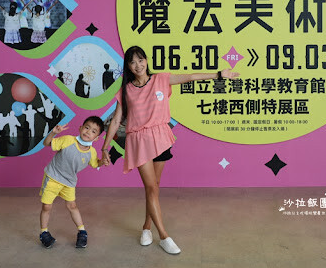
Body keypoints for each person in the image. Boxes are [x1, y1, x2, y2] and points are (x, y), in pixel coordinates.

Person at [100, 45, 239, 255]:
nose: (138, 65)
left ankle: (146, 228)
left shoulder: (161, 79)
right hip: (139, 141)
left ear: (146, 61)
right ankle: (164, 236)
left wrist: (219, 74)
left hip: (161, 138)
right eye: (132, 62)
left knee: (154, 188)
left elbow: (189, 77)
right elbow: (116, 119)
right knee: (151, 187)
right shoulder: (126, 90)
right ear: (128, 66)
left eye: (140, 60)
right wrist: (105, 147)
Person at [39, 117, 103, 249]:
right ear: (80, 128)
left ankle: (82, 232)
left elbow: (96, 164)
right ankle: (44, 232)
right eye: (87, 127)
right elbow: (46, 143)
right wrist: (53, 133)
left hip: (69, 182)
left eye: (93, 131)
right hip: (53, 177)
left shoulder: (92, 152)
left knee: (72, 206)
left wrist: (104, 162)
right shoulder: (68, 140)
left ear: (96, 138)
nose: (88, 132)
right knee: (47, 207)